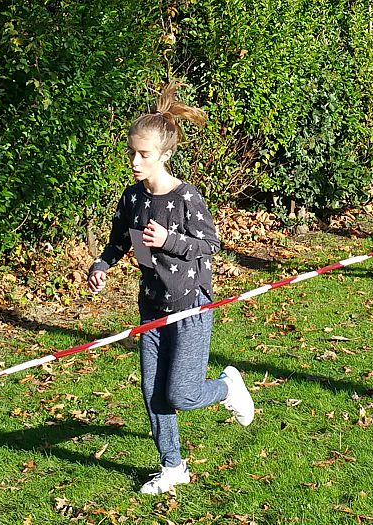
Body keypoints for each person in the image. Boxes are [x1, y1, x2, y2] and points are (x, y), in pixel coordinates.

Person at [87, 81, 254, 495]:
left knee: (182, 394)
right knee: (152, 392)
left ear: (164, 154)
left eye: (143, 154)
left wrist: (170, 241)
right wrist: (102, 264)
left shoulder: (185, 198)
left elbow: (210, 244)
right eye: (131, 152)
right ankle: (173, 466)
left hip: (190, 304)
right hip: (151, 305)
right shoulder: (132, 198)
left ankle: (228, 388)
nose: (134, 161)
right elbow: (119, 240)